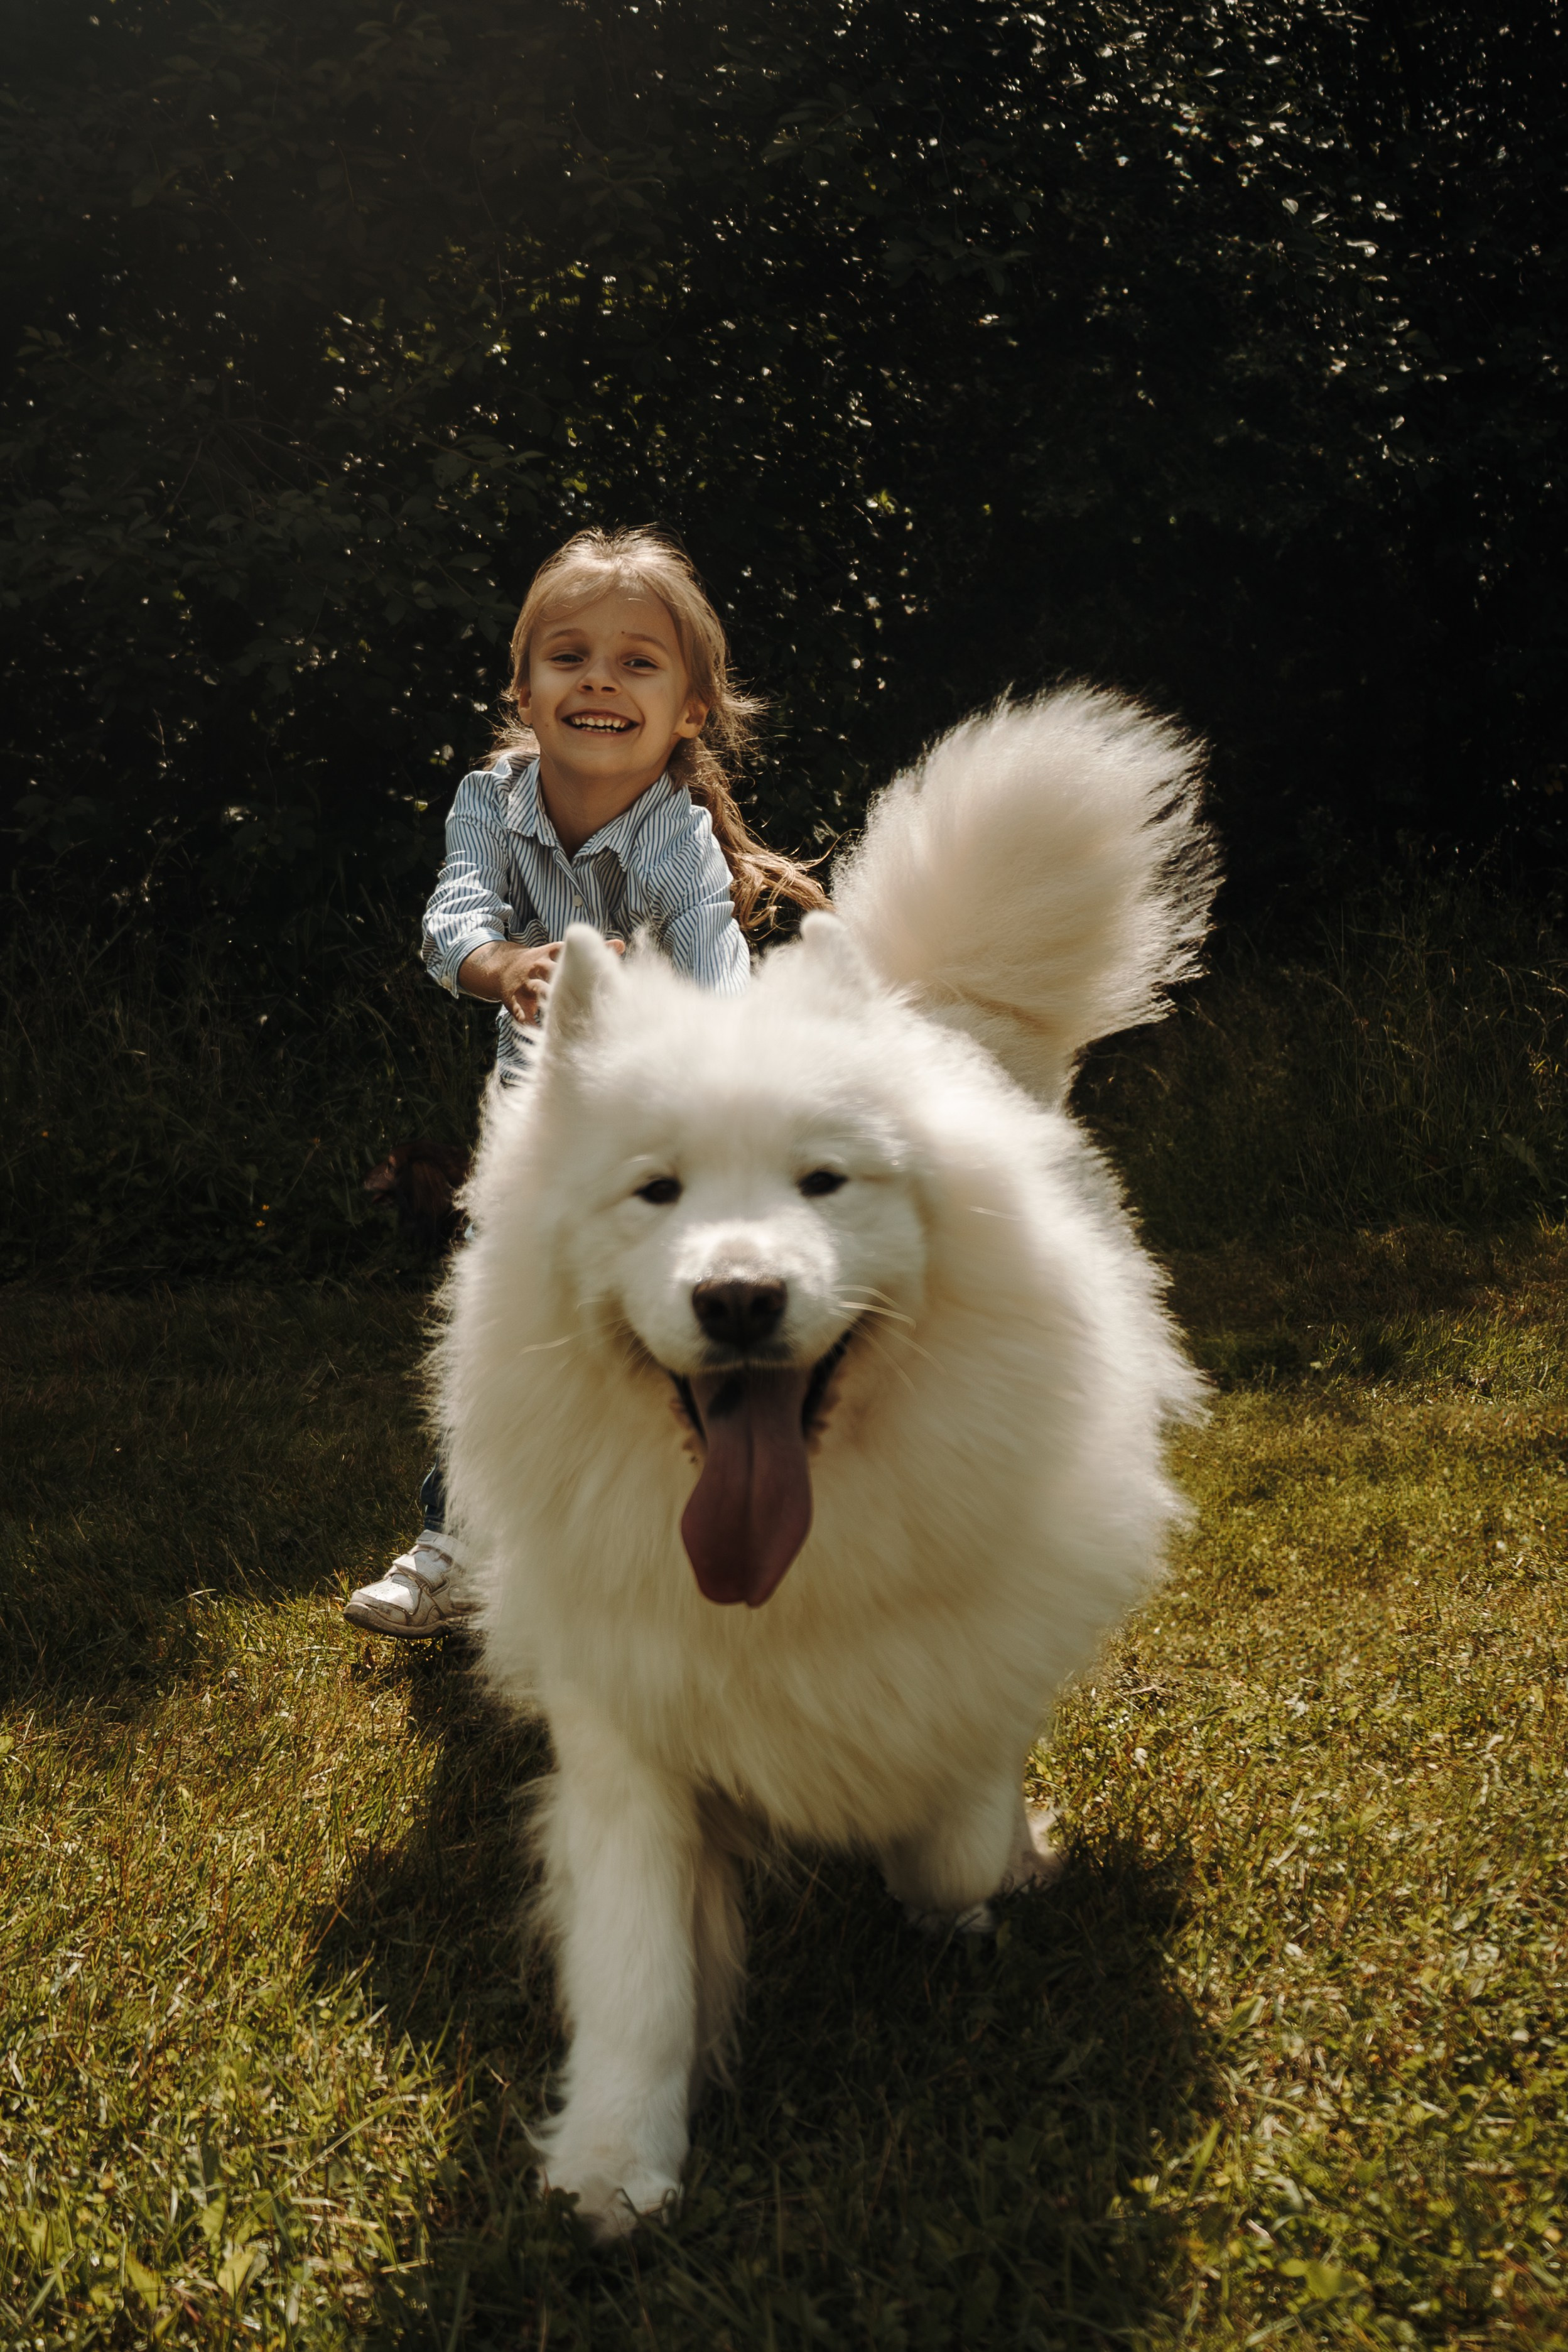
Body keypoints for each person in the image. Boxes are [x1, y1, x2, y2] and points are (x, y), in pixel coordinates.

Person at [343, 525, 826, 1638]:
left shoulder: (676, 843)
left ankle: (684, 1550)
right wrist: (506, 962)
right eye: (569, 656)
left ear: (690, 710)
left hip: (666, 1146)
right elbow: (450, 920)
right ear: (524, 687)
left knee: (664, 1355)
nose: (600, 678)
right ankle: (452, 1548)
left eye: (638, 662)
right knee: (499, 1332)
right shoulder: (490, 802)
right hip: (538, 1144)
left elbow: (721, 981)